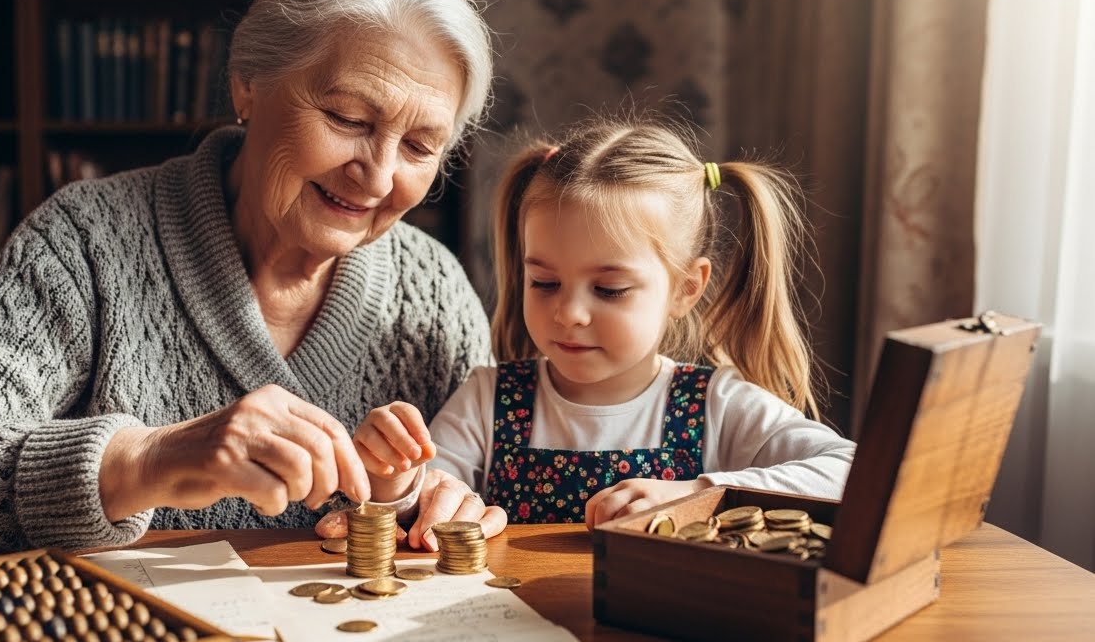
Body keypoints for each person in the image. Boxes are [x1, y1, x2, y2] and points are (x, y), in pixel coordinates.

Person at [0, 0, 498, 558]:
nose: (378, 176)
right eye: (348, 119)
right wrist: (143, 463)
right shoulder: (89, 240)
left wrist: (448, 502)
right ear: (248, 84)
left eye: (418, 147)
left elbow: (504, 491)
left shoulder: (433, 289)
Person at [349, 118, 855, 548]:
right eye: (544, 282)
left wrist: (699, 492)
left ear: (684, 289)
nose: (569, 312)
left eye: (609, 290)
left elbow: (853, 472)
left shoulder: (715, 403)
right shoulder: (487, 399)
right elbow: (429, 507)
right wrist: (395, 482)